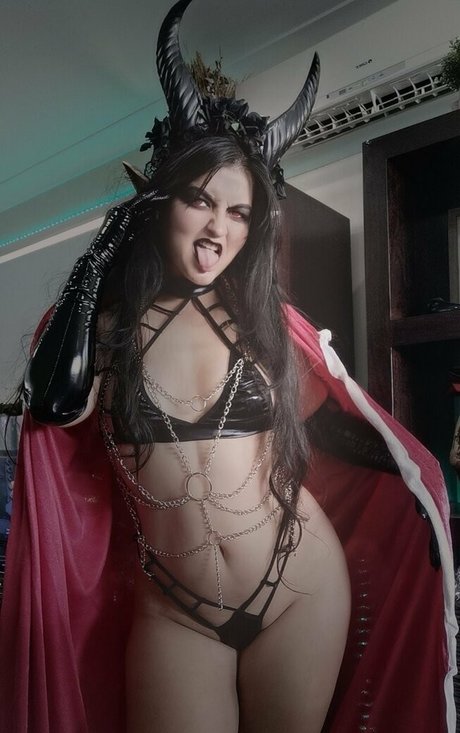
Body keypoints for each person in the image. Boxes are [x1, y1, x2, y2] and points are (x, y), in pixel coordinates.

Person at [0, 1, 456, 732]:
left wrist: (415, 488)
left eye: (239, 213)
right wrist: (104, 248)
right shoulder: (103, 331)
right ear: (160, 201)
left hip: (301, 586)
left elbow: (325, 430)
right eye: (199, 200)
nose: (218, 227)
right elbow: (54, 404)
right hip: (175, 612)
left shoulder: (262, 323)